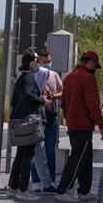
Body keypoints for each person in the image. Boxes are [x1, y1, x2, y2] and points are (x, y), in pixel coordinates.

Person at [54, 51, 103, 203]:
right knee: (77, 158)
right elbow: (93, 105)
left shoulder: (69, 77)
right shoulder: (88, 78)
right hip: (83, 125)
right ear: (90, 63)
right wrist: (101, 124)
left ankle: (84, 191)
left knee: (85, 157)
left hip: (73, 124)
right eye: (95, 66)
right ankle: (62, 190)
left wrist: (69, 117)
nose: (94, 69)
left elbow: (63, 102)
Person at [6, 51, 51, 201]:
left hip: (18, 121)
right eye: (37, 61)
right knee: (28, 155)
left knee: (20, 154)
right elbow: (28, 95)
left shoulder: (21, 78)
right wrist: (42, 101)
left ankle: (13, 187)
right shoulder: (30, 76)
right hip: (29, 121)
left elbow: (13, 102)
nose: (39, 64)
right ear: (32, 63)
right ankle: (23, 189)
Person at [30, 49, 63, 194]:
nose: (48, 64)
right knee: (38, 152)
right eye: (45, 62)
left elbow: (63, 92)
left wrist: (53, 95)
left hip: (51, 118)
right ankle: (36, 181)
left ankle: (50, 180)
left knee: (50, 151)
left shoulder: (54, 75)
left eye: (49, 61)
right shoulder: (33, 76)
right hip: (37, 118)